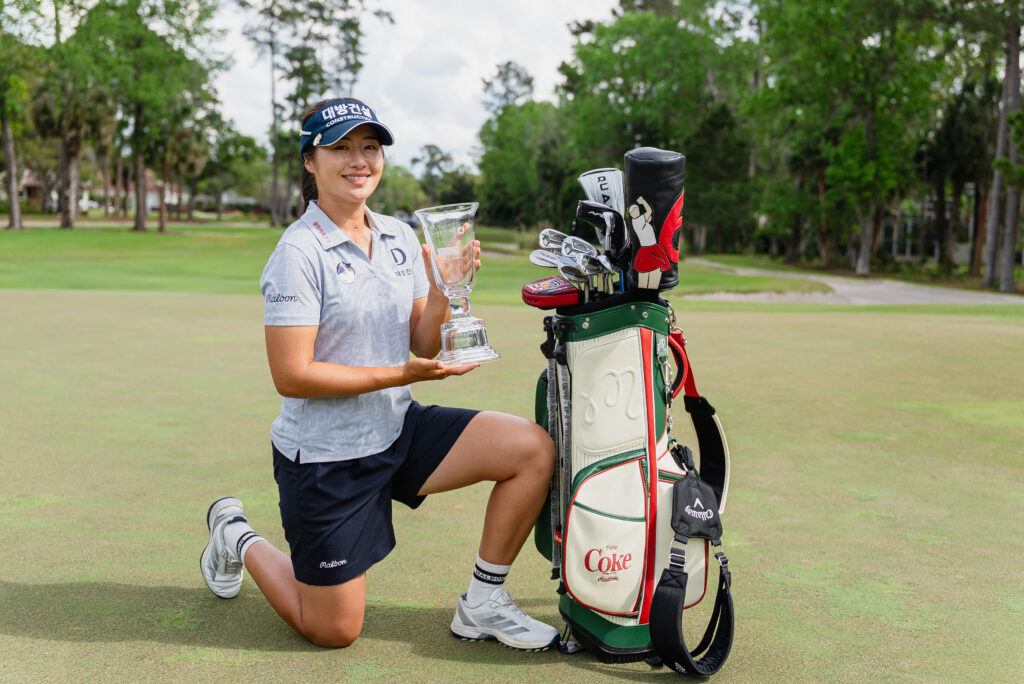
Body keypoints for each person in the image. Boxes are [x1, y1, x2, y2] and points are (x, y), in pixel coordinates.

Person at [199, 97, 558, 651]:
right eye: (340, 147)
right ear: (309, 162)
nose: (358, 159)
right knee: (333, 630)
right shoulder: (297, 252)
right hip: (325, 458)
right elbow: (291, 375)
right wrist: (398, 375)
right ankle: (236, 535)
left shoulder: (396, 236)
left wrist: (442, 291)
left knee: (530, 449)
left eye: (369, 146)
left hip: (394, 429)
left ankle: (483, 603)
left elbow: (419, 340)